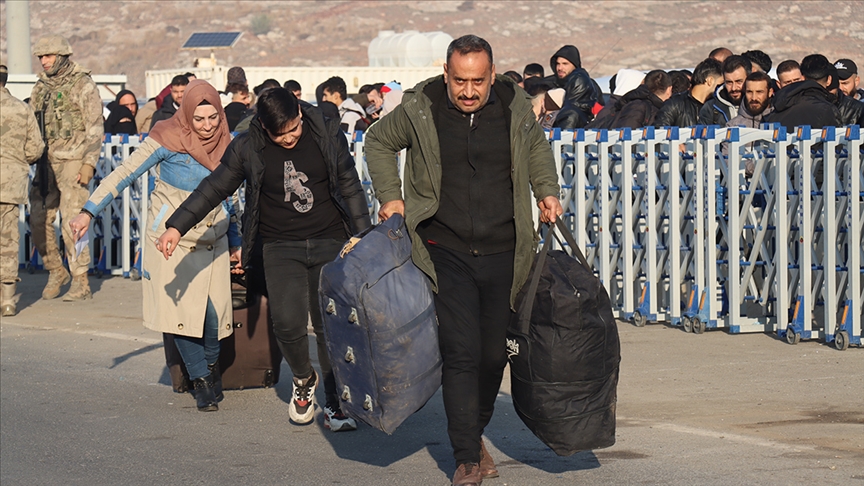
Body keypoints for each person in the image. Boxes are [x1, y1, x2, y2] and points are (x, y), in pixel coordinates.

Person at [364, 35, 562, 486]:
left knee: (494, 357)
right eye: (459, 81)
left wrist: (545, 190)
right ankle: (466, 455)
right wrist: (391, 197)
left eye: (477, 81)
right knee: (461, 351)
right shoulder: (421, 107)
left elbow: (535, 151)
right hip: (443, 249)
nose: (468, 91)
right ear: (446, 73)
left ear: (492, 74)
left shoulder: (514, 106)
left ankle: (474, 433)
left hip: (503, 249)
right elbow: (377, 142)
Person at [157, 88, 371, 431]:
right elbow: (214, 188)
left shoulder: (328, 133)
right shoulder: (247, 147)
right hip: (279, 245)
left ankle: (335, 401)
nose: (288, 138)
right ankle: (304, 379)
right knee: (286, 323)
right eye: (279, 134)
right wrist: (176, 227)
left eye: (293, 129)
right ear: (263, 125)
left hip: (330, 241)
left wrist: (363, 236)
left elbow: (350, 185)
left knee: (328, 325)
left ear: (300, 113)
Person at [67, 80, 238, 412]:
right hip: (169, 240)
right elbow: (124, 173)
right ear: (186, 114)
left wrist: (235, 241)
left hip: (211, 237)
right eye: (199, 119)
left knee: (216, 319)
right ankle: (202, 382)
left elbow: (231, 197)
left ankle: (209, 368)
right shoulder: (165, 136)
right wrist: (89, 210)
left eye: (213, 118)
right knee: (181, 316)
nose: (206, 127)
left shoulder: (228, 144)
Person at [27, 35, 103, 302]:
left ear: (62, 56)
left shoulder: (83, 84)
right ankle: (56, 270)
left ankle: (81, 279)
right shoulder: (40, 88)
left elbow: (95, 127)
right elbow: (31, 125)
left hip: (74, 161)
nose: (44, 61)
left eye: (48, 56)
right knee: (37, 218)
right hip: (45, 163)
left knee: (74, 221)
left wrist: (88, 163)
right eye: (41, 57)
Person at [0, 65, 45, 316]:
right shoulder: (21, 108)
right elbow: (35, 149)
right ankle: (7, 299)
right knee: (7, 239)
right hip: (10, 180)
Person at [765, 54, 841, 131]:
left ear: (803, 78)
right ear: (829, 80)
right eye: (787, 82)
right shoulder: (827, 109)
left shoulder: (778, 107)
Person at [654, 58, 723, 127]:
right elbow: (660, 132)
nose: (722, 88)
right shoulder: (674, 105)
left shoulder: (718, 107)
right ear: (710, 81)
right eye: (720, 84)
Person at [549, 44, 600, 126]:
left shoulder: (580, 81)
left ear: (574, 65)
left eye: (565, 64)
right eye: (558, 64)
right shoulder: (555, 82)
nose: (560, 68)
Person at [699, 55, 752, 125]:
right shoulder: (710, 108)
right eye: (729, 82)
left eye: (739, 81)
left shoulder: (760, 104)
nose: (734, 88)